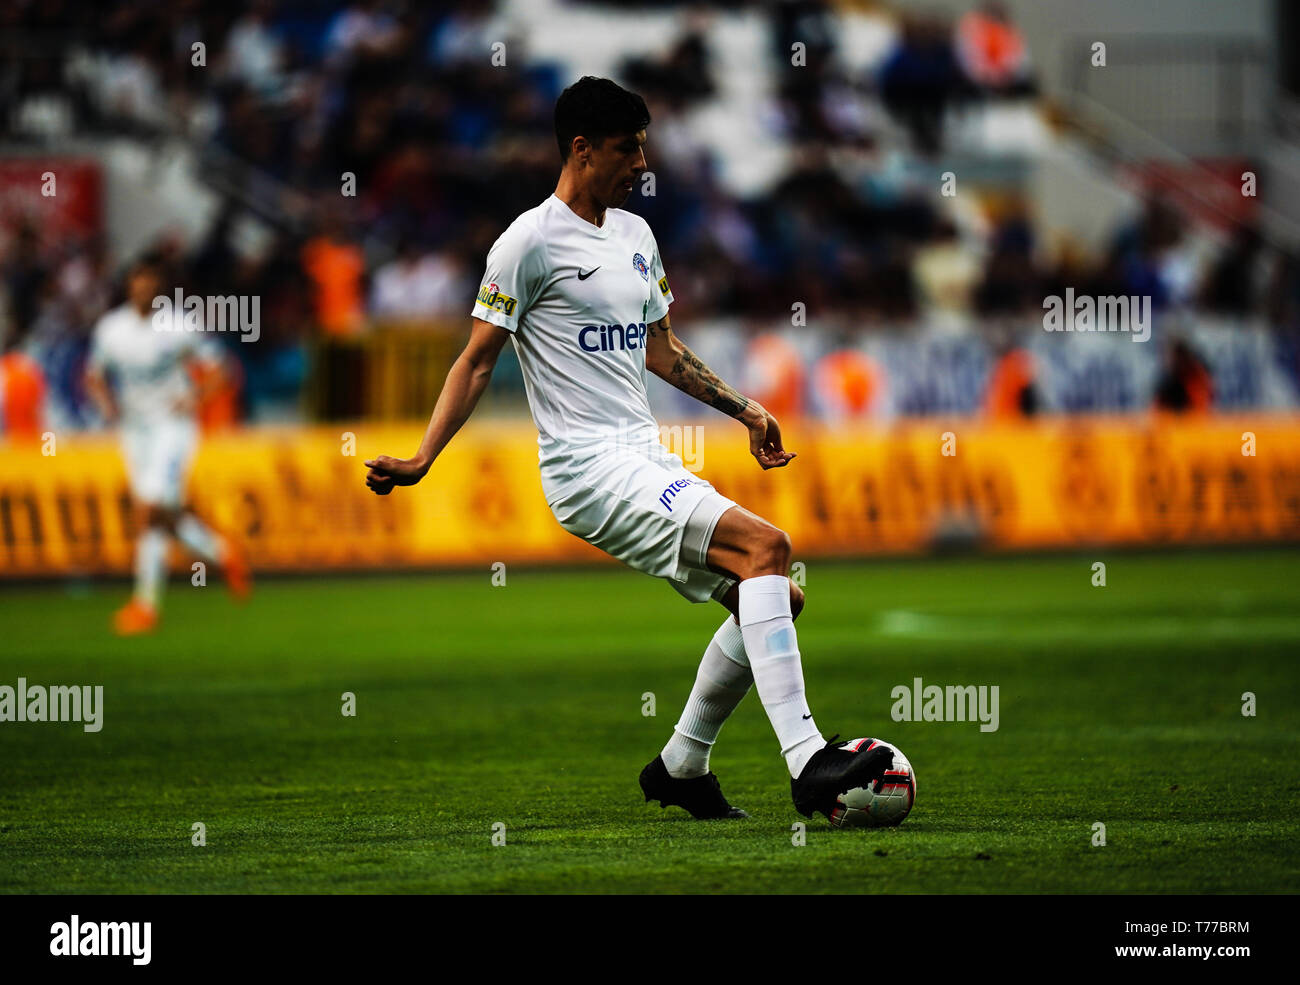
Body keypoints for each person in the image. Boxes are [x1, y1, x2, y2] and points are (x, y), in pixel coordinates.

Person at [363, 77, 891, 821]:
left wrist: (744, 408)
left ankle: (682, 765)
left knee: (773, 598)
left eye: (643, 144)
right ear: (581, 149)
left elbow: (662, 351)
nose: (642, 161)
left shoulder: (637, 237)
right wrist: (423, 458)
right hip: (585, 466)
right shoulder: (529, 242)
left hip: (642, 454)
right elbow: (477, 359)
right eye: (627, 146)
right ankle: (808, 760)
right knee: (766, 547)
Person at [85, 256, 250, 635]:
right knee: (161, 515)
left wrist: (196, 397)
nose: (143, 290)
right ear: (129, 286)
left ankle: (145, 606)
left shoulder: (179, 325)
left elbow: (224, 370)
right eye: (137, 282)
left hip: (173, 427)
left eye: (150, 284)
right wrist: (105, 402)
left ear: (159, 288)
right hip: (134, 430)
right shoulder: (111, 329)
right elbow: (94, 374)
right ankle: (223, 554)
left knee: (149, 509)